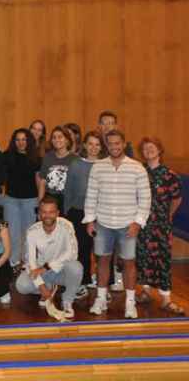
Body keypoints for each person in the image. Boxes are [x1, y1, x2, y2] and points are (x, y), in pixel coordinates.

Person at [86, 129, 151, 319]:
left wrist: (137, 223)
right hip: (103, 223)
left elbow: (145, 199)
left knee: (129, 263)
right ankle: (100, 299)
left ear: (123, 144)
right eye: (110, 143)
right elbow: (91, 195)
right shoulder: (98, 167)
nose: (114, 147)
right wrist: (90, 220)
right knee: (103, 261)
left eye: (117, 143)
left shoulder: (137, 167)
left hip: (127, 224)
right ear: (106, 145)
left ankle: (130, 304)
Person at [135, 137, 183, 314]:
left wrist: (168, 215)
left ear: (159, 150)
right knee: (144, 257)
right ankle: (146, 291)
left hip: (161, 224)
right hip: (142, 223)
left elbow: (177, 198)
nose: (149, 151)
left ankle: (166, 299)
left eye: (152, 148)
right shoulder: (139, 172)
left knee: (162, 260)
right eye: (145, 149)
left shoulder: (170, 175)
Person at [16, 196, 82, 321]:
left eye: (51, 212)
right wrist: (42, 288)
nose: (47, 215)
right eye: (44, 212)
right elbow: (30, 263)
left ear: (57, 213)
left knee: (76, 267)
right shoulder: (32, 231)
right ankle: (48, 288)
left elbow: (72, 253)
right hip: (41, 271)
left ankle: (67, 301)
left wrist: (48, 267)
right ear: (39, 214)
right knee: (21, 286)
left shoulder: (67, 226)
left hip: (60, 269)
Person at [63, 130, 104, 299]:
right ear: (85, 145)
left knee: (103, 251)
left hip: (102, 213)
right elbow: (69, 190)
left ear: (101, 147)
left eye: (97, 144)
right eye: (90, 144)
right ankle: (83, 282)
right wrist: (66, 213)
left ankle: (104, 286)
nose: (93, 148)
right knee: (82, 249)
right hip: (79, 213)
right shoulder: (76, 164)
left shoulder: (106, 165)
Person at [2, 128, 41, 268]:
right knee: (12, 232)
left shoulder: (36, 158)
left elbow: (39, 181)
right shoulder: (6, 156)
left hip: (30, 200)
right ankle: (13, 260)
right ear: (14, 141)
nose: (21, 142)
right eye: (17, 140)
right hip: (11, 200)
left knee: (29, 232)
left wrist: (40, 201)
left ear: (28, 141)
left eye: (24, 139)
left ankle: (27, 261)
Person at [37, 126, 78, 211]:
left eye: (60, 137)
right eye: (54, 137)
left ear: (67, 140)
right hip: (50, 200)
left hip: (68, 200)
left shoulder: (75, 159)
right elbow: (42, 182)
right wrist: (40, 203)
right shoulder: (48, 157)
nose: (56, 140)